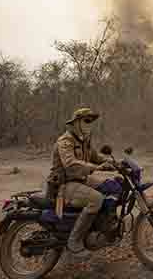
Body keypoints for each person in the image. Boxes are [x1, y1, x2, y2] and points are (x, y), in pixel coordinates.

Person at [46, 107, 115, 257]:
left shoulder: (84, 140)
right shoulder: (65, 141)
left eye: (91, 121)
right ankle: (74, 241)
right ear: (76, 122)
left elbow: (96, 157)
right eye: (87, 120)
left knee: (111, 186)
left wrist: (115, 163)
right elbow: (70, 164)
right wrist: (97, 168)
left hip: (80, 180)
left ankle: (99, 226)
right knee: (96, 199)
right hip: (64, 185)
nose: (89, 124)